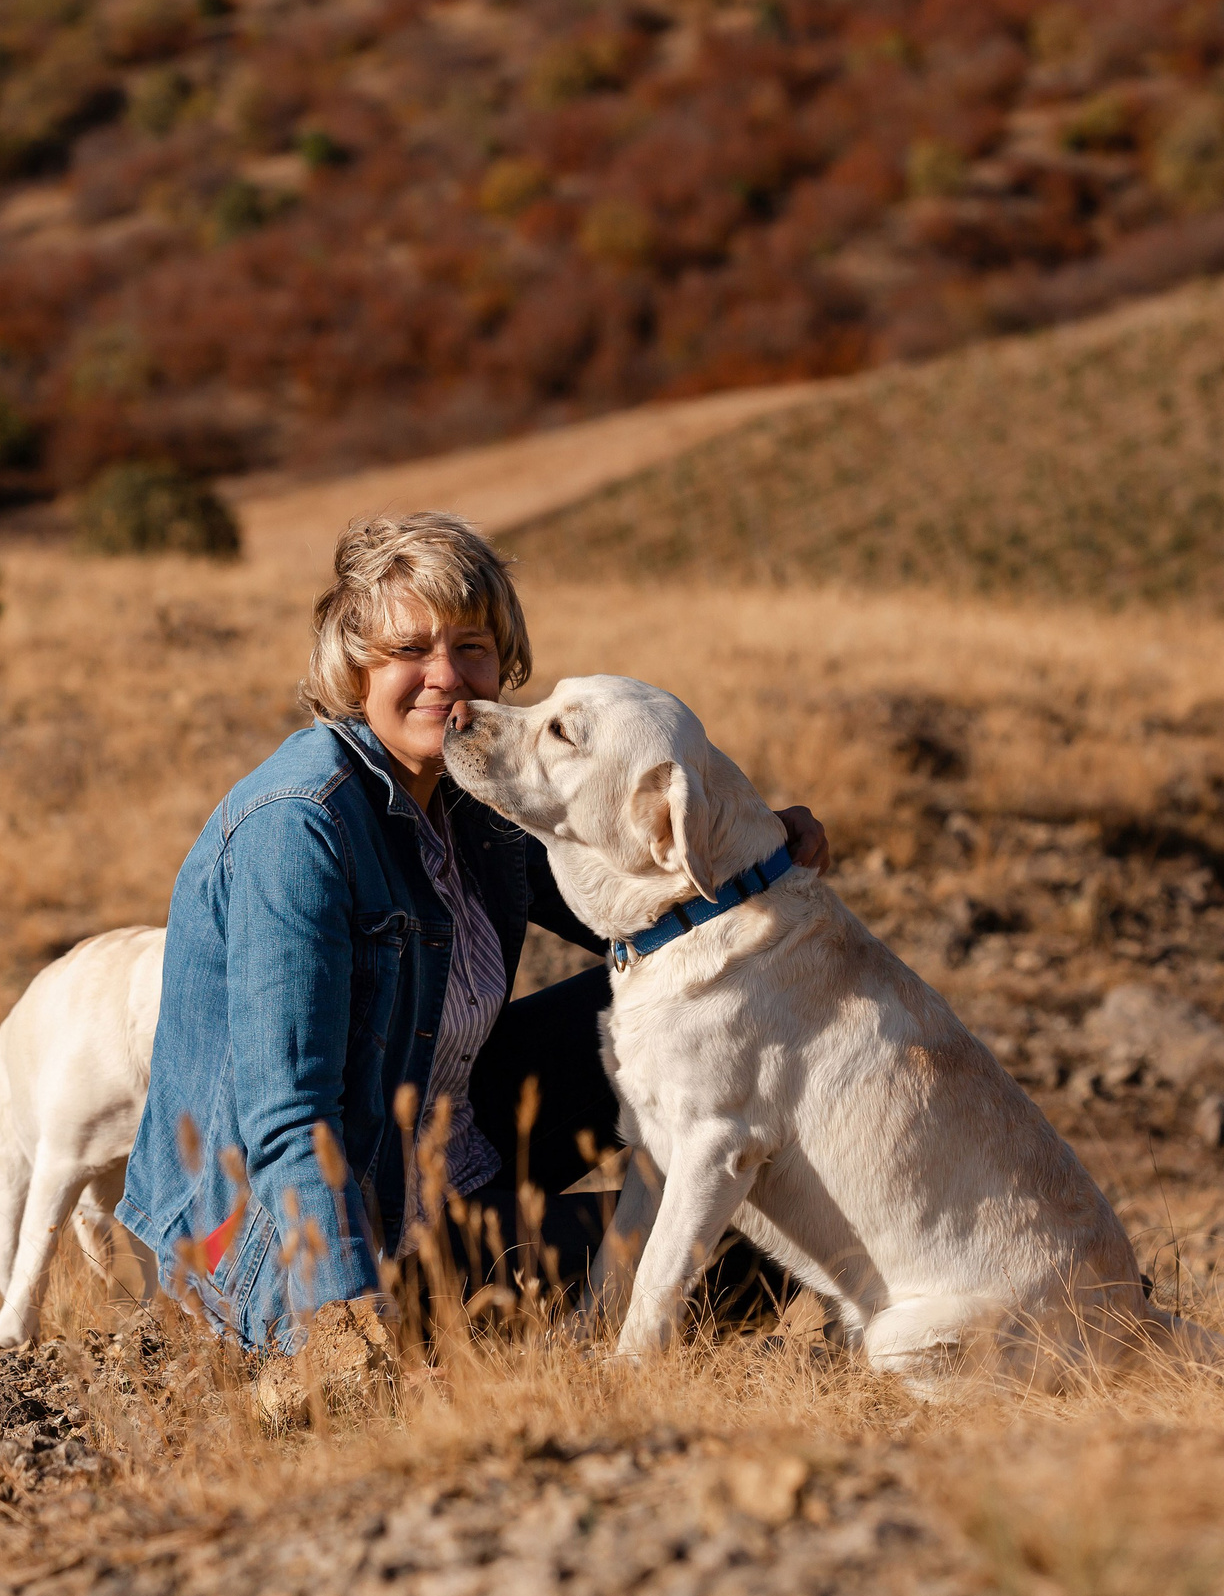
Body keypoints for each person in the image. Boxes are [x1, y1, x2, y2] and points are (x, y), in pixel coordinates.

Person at [115, 513, 829, 1352]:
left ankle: (580, 1316)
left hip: (446, 1145)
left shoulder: (474, 798)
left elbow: (661, 926)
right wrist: (344, 1321)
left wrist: (758, 845)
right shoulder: (299, 828)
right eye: (410, 649)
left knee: (696, 1017)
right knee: (748, 1254)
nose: (446, 676)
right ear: (354, 664)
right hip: (290, 1250)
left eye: (472, 646)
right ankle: (526, 1346)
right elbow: (289, 1114)